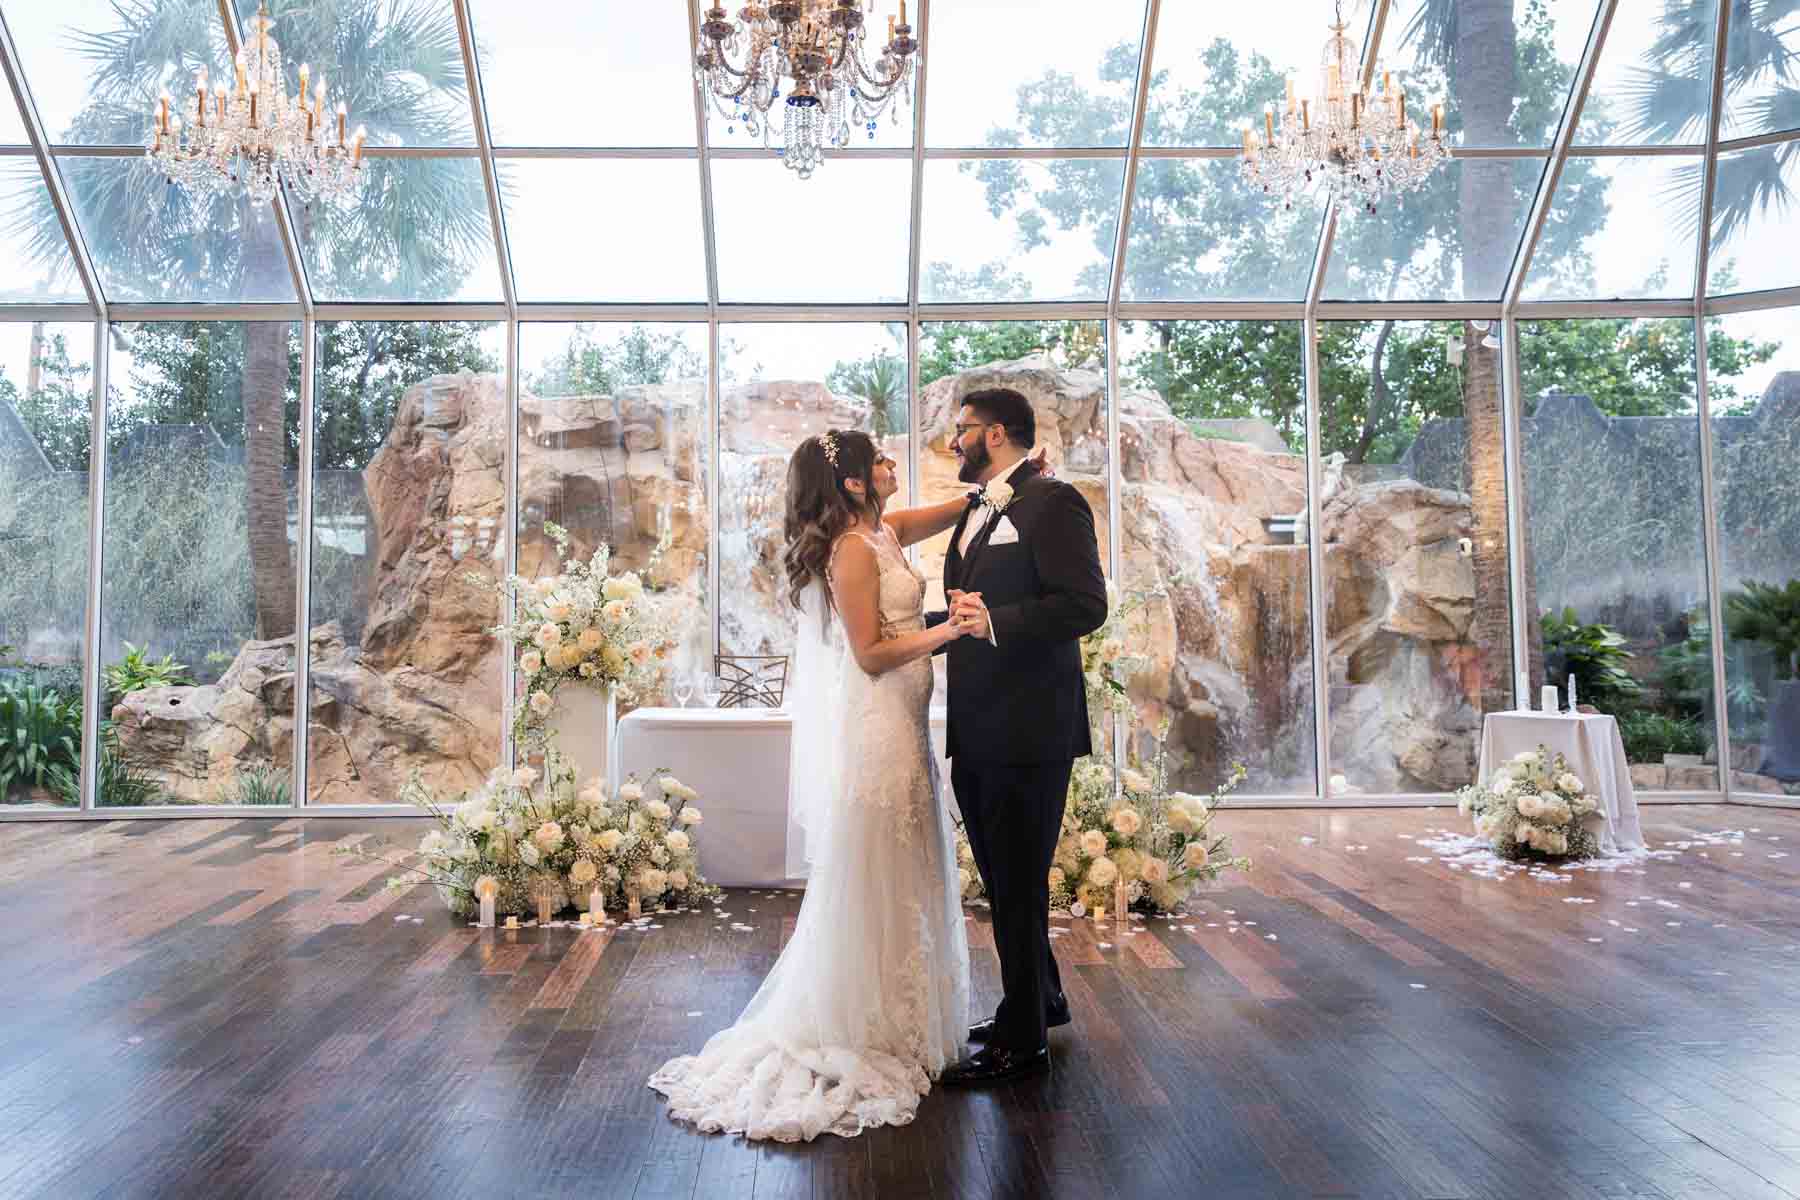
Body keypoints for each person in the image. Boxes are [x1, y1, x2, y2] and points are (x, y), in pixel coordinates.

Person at [648, 429, 981, 1142]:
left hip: (907, 728)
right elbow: (868, 655)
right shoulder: (854, 551)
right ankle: (865, 1021)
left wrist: (989, 493)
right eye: (883, 459)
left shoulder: (884, 531)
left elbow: (944, 513)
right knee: (880, 868)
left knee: (907, 867)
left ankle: (901, 1015)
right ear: (856, 482)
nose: (895, 465)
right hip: (880, 725)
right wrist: (946, 630)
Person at [931, 387, 1107, 1086]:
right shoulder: (982, 509)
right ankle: (1046, 998)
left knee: (1017, 881)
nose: (953, 443)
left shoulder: (1053, 501)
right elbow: (968, 606)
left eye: (962, 431)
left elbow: (1085, 604)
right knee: (1004, 876)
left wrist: (995, 622)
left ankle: (1023, 1037)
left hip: (1029, 727)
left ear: (995, 433)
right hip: (978, 722)